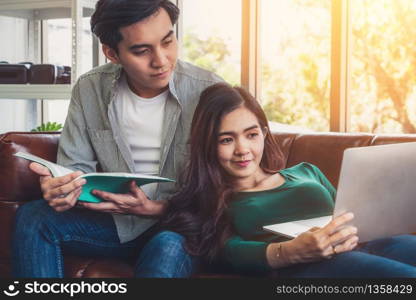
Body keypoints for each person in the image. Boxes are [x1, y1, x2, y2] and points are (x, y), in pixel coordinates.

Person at [12, 0, 223, 278]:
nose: (161, 60)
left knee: (167, 246)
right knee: (34, 217)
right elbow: (76, 169)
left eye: (167, 41)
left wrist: (158, 209)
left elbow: (227, 189)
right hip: (116, 222)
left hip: (178, 225)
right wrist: (63, 189)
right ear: (112, 53)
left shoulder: (211, 92)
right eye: (141, 50)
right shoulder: (90, 89)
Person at [163, 82, 416, 277]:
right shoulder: (215, 199)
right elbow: (227, 251)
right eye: (226, 139)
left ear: (263, 134)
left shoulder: (307, 171)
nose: (243, 150)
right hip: (312, 265)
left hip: (362, 245)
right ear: (208, 145)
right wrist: (289, 252)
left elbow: (349, 214)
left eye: (251, 135)